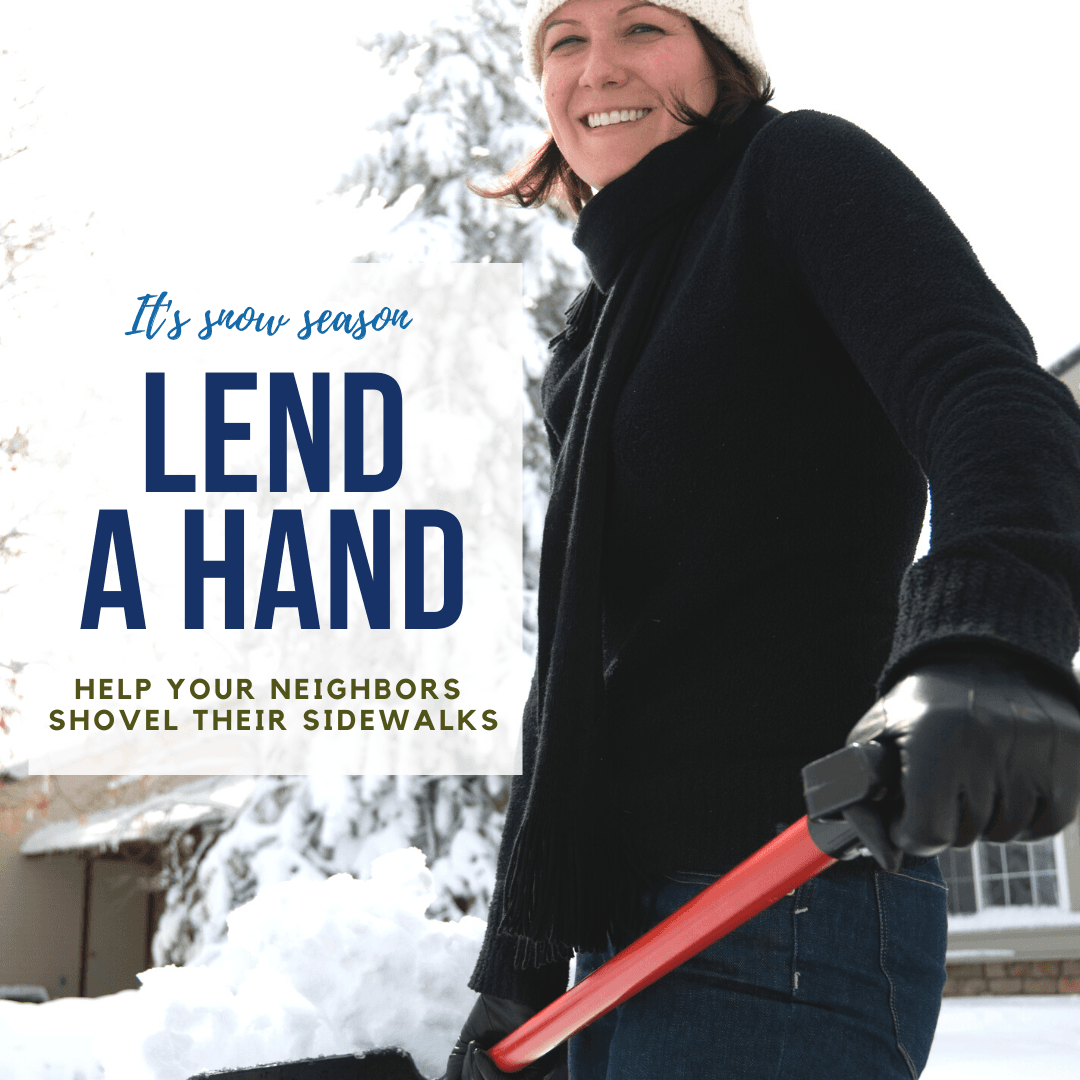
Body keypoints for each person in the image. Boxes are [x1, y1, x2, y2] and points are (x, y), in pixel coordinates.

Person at [441, 1, 1080, 1077]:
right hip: (620, 931)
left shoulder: (799, 173)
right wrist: (518, 967)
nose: (598, 66)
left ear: (722, 58)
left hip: (790, 895)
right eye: (563, 39)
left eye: (643, 26)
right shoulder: (594, 335)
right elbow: (577, 671)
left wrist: (982, 631)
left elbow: (984, 391)